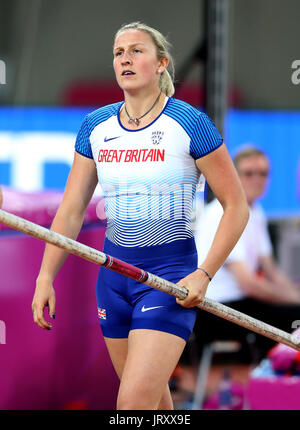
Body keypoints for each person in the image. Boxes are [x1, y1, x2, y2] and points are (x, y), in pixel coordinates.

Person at [31, 22, 249, 410]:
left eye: (137, 51)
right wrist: (46, 276)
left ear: (162, 63)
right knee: (155, 406)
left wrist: (204, 274)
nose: (125, 59)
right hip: (113, 281)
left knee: (131, 406)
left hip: (169, 281)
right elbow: (71, 211)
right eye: (119, 53)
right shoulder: (95, 126)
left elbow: (237, 207)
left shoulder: (189, 123)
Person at [193, 146, 300, 362]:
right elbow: (248, 283)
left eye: (263, 173)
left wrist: (294, 295)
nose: (257, 179)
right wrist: (295, 299)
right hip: (214, 309)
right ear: (234, 175)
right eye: (249, 173)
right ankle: (270, 380)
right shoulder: (222, 213)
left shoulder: (255, 212)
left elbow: (272, 271)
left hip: (238, 302)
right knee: (294, 318)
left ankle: (271, 376)